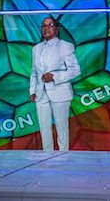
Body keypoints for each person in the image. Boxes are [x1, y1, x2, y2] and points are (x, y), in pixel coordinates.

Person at [29, 16, 80, 151]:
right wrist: (32, 90)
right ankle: (47, 158)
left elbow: (75, 70)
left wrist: (55, 76)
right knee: (44, 127)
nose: (46, 28)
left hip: (60, 92)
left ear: (56, 29)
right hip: (41, 93)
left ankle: (63, 157)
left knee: (61, 127)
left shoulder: (65, 46)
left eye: (50, 25)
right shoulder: (36, 48)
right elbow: (34, 71)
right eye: (43, 26)